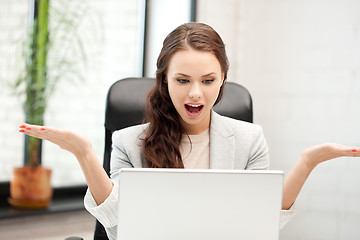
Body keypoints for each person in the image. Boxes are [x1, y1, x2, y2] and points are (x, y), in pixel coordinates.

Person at [19, 23, 360, 240]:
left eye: (208, 81)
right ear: (165, 80)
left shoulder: (248, 139)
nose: (196, 93)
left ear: (223, 78)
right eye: (183, 80)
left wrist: (307, 162)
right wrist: (84, 154)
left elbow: (263, 224)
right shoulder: (128, 141)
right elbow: (119, 225)